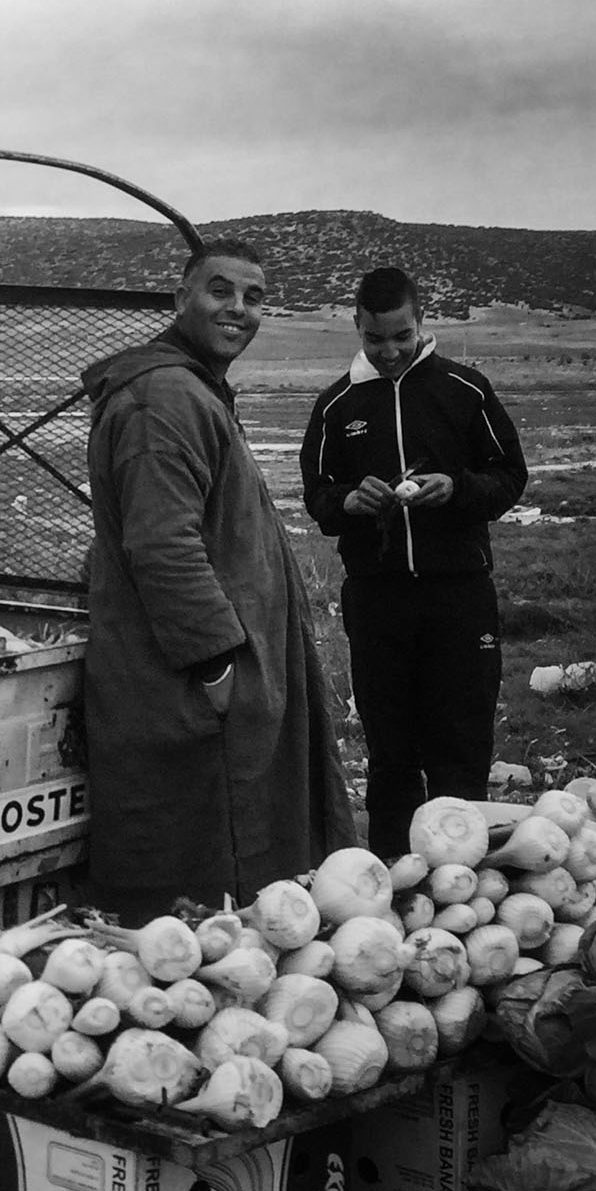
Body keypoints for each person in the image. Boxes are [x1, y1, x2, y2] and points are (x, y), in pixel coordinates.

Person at [78, 240, 356, 923]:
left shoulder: (190, 387)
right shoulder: (164, 399)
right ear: (181, 299)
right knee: (202, 886)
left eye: (254, 297)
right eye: (220, 291)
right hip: (191, 689)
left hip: (217, 686)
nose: (238, 309)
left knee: (233, 873)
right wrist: (217, 669)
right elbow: (162, 545)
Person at [299, 267, 529, 857]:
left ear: (420, 320)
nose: (391, 350)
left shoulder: (465, 390)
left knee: (461, 744)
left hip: (460, 593)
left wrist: (457, 488)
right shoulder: (336, 407)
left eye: (402, 335)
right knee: (391, 751)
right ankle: (386, 884)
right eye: (377, 339)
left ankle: (465, 880)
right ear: (357, 327)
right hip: (377, 599)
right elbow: (319, 494)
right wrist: (349, 502)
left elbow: (509, 477)